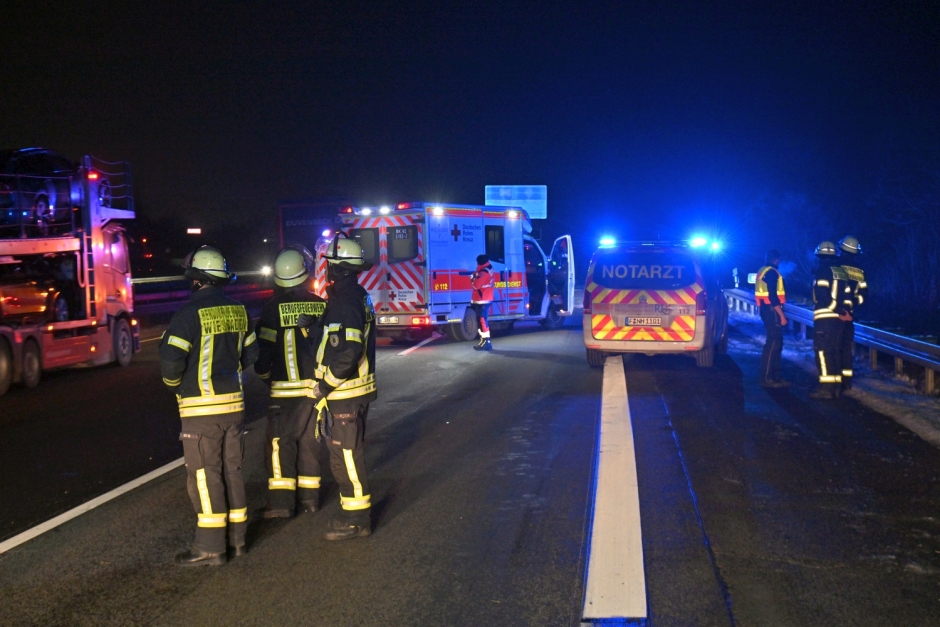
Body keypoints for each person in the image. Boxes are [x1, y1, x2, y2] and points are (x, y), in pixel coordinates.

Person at [159, 246, 258, 565]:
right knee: (232, 471)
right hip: (235, 406)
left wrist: (178, 389)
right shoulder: (240, 310)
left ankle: (211, 546)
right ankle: (237, 540)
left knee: (204, 475)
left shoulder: (186, 316)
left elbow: (171, 365)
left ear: (197, 281)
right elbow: (251, 356)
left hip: (201, 410)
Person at [302, 233, 377, 541]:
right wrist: (318, 326)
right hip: (353, 392)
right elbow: (340, 338)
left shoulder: (346, 301)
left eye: (330, 265)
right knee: (341, 454)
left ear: (339, 268)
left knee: (347, 455)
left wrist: (324, 387)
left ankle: (358, 520)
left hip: (346, 393)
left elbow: (347, 351)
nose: (327, 270)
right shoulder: (356, 295)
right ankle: (351, 513)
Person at [255, 246, 327, 518]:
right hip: (316, 391)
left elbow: (263, 354)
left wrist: (266, 378)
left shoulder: (273, 309)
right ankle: (310, 500)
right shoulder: (321, 304)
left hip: (285, 393)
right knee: (310, 444)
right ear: (303, 274)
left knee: (279, 444)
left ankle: (281, 504)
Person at [810, 241, 849, 400]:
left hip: (825, 318)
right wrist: (843, 311)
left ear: (819, 255)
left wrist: (836, 309)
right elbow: (847, 295)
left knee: (823, 353)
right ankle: (836, 388)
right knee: (834, 352)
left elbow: (822, 294)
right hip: (839, 321)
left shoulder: (822, 270)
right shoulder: (842, 272)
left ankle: (826, 389)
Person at [754, 249, 788, 387]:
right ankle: (767, 378)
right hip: (772, 310)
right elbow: (773, 297)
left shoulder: (763, 270)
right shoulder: (772, 273)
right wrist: (782, 315)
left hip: (767, 309)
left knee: (777, 343)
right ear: (776, 259)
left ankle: (776, 377)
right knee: (773, 343)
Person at [838, 235, 867, 391]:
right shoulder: (859, 271)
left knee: (834, 347)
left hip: (834, 314)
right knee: (847, 348)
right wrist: (853, 305)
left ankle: (834, 380)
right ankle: (846, 381)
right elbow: (863, 295)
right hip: (849, 316)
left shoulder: (835, 266)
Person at [470, 254, 494, 351]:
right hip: (483, 298)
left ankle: (486, 342)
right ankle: (483, 341)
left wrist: (472, 279)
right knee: (481, 320)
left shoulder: (484, 272)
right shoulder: (487, 269)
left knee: (482, 320)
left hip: (482, 299)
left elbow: (476, 285)